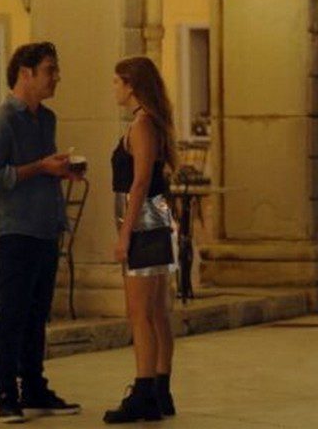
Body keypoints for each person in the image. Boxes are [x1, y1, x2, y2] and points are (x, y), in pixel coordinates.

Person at [0, 41, 82, 423]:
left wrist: (61, 171)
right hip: (14, 231)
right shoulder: (2, 121)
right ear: (26, 73)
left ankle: (34, 387)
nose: (57, 77)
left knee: (37, 315)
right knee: (11, 315)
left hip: (44, 227)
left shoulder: (47, 119)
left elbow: (41, 168)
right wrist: (40, 168)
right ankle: (5, 393)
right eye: (50, 69)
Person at [104, 56, 179, 423]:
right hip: (154, 219)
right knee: (157, 311)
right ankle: (160, 389)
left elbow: (140, 182)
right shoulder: (148, 121)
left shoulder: (143, 124)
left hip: (144, 222)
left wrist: (125, 232)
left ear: (131, 85)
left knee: (141, 313)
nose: (114, 89)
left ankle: (144, 390)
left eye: (117, 82)